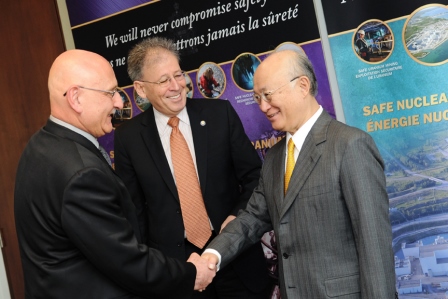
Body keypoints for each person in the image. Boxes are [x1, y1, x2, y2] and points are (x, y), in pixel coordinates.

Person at [14, 49, 215, 299]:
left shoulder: (40, 146)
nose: (120, 103)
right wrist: (190, 273)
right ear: (76, 98)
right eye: (110, 93)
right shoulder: (81, 174)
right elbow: (128, 262)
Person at [202, 49, 397, 298]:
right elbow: (251, 218)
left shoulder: (349, 145)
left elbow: (375, 246)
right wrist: (212, 255)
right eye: (257, 97)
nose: (262, 106)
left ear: (302, 85)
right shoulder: (274, 158)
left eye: (268, 95)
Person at [114, 37, 271, 299]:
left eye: (178, 75)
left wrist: (237, 218)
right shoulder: (129, 138)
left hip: (235, 258)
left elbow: (256, 178)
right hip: (178, 275)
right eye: (164, 80)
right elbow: (135, 213)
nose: (177, 87)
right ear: (141, 89)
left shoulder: (220, 114)